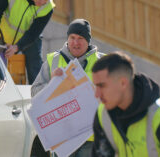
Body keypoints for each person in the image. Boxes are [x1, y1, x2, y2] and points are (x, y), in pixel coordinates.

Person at [91, 51, 160, 157]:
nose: (97, 94)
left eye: (102, 86)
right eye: (96, 86)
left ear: (123, 83)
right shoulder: (103, 115)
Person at [31, 18, 105, 157]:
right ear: (68, 38)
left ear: (88, 41)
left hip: (91, 138)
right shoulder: (53, 60)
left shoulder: (102, 62)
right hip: (62, 138)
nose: (75, 42)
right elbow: (34, 91)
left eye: (80, 38)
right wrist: (51, 85)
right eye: (72, 37)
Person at [0, 0, 55, 84]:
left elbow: (33, 33)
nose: (43, 3)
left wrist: (17, 47)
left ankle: (38, 91)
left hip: (29, 39)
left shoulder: (48, 8)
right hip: (4, 34)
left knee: (34, 68)